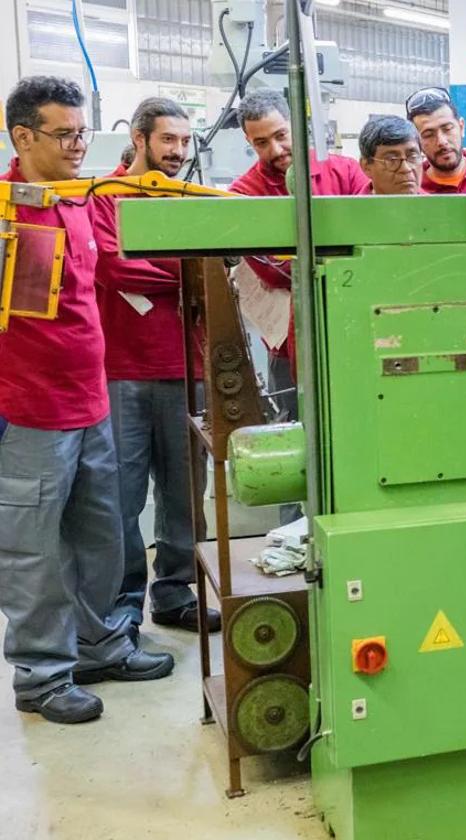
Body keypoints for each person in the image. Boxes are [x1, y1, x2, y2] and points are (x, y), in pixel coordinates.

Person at [0, 77, 174, 724]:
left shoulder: (77, 201)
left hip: (90, 399)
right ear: (23, 136)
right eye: (64, 134)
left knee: (105, 533)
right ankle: (42, 676)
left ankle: (100, 644)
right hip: (27, 412)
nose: (78, 145)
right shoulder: (6, 208)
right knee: (33, 552)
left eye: (82, 132)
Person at [92, 97, 220, 635]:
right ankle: (122, 605)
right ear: (139, 139)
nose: (178, 151)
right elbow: (113, 264)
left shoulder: (187, 197)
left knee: (184, 491)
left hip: (186, 366)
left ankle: (175, 594)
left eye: (185, 142)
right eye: (169, 140)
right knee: (122, 494)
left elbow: (213, 256)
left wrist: (179, 265)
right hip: (122, 369)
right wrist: (185, 271)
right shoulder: (104, 195)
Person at [229, 89, 368, 456]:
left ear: (298, 126)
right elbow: (273, 273)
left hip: (356, 331)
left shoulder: (344, 172)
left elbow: (370, 249)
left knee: (359, 427)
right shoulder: (243, 196)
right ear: (248, 141)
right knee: (294, 441)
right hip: (291, 345)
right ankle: (295, 516)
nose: (274, 150)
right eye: (261, 143)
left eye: (280, 136)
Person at [358, 114, 423, 195]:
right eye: (392, 160)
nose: (406, 168)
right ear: (366, 166)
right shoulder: (351, 207)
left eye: (413, 157)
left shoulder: (439, 206)